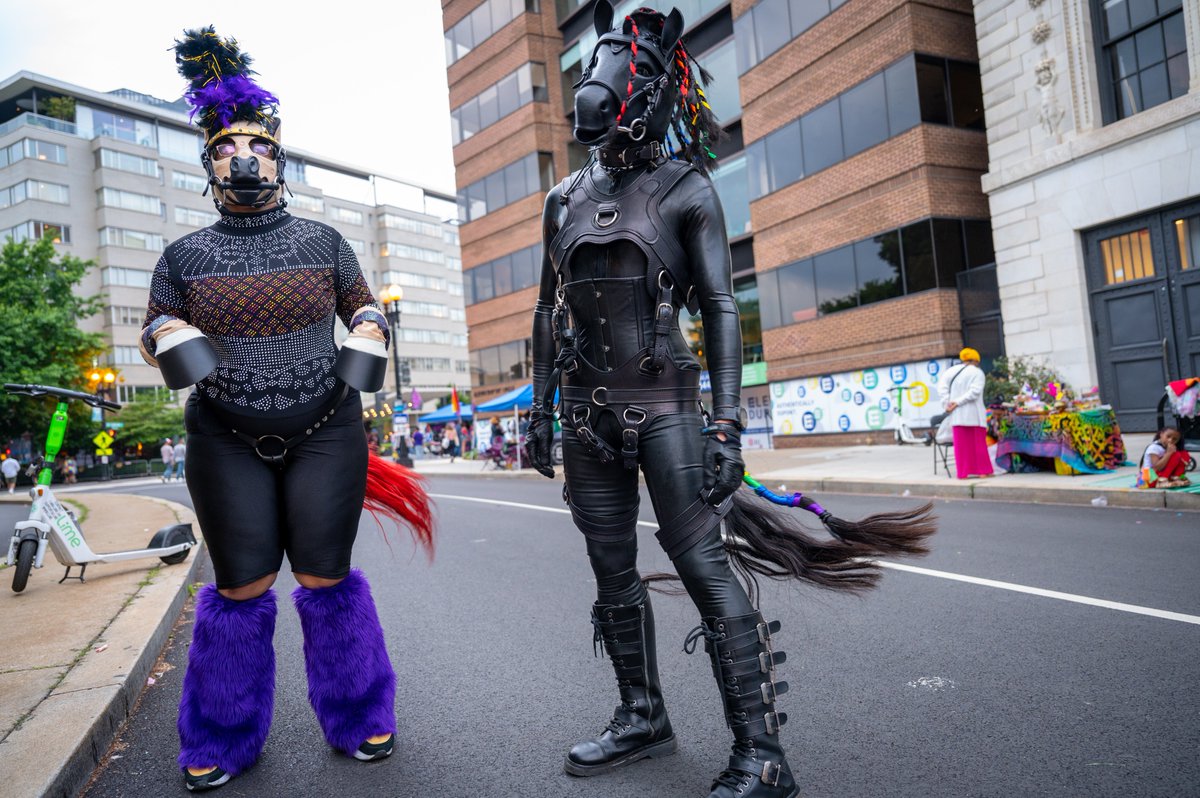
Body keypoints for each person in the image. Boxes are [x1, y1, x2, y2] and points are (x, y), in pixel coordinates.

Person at [525, 6, 935, 797]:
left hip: (667, 408)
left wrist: (726, 426)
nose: (597, 88)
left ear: (653, 88)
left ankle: (763, 755)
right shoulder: (561, 199)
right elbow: (548, 311)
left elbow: (719, 307)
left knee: (704, 569)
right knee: (610, 570)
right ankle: (641, 716)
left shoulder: (688, 188)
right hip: (585, 415)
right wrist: (538, 412)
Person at [140, 29, 432, 792]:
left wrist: (370, 326)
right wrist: (166, 332)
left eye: (258, 146)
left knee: (323, 575)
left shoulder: (326, 240)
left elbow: (366, 309)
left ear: (278, 158)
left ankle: (360, 710)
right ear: (208, 162)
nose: (244, 157)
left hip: (324, 429)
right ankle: (222, 733)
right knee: (240, 585)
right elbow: (152, 327)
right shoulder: (182, 255)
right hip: (223, 434)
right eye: (228, 146)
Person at [938, 348, 994, 479]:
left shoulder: (950, 372)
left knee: (961, 447)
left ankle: (962, 473)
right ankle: (982, 472)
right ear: (975, 360)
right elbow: (975, 392)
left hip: (957, 415)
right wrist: (957, 402)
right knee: (978, 444)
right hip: (974, 414)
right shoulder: (977, 372)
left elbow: (942, 389)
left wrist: (948, 404)